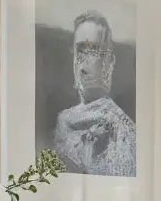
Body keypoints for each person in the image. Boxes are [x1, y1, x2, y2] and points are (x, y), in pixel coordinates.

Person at [53, 10, 136, 177]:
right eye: (80, 51)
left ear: (109, 62)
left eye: (94, 51)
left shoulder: (123, 128)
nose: (83, 62)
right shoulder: (63, 122)